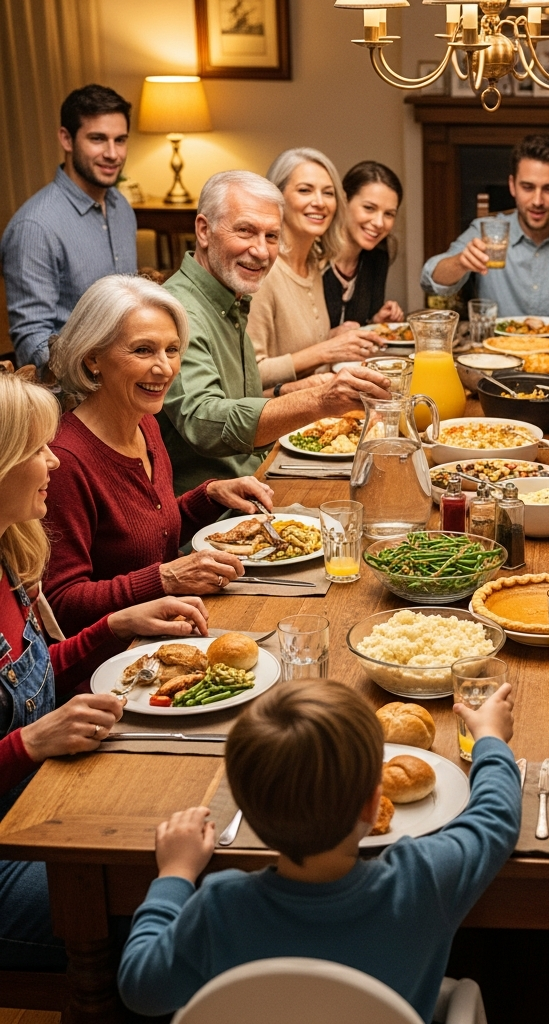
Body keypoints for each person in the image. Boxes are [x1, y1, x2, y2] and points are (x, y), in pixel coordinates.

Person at [117, 679, 520, 1020]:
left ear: (246, 814)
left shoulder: (220, 908)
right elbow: (495, 817)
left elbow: (140, 987)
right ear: (372, 805)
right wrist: (489, 738)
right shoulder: (424, 881)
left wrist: (174, 874)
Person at [0, 371, 210, 970]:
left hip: (43, 799)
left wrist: (116, 626)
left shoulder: (11, 554)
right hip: (12, 844)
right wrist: (30, 743)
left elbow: (34, 677)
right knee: (191, 907)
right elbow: (28, 724)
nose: (56, 464)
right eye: (38, 450)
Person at [44, 276, 279, 635]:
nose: (165, 368)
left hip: (174, 625)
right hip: (115, 663)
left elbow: (151, 538)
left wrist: (207, 497)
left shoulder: (145, 423)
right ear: (93, 358)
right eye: (143, 350)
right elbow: (61, 606)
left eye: (172, 350)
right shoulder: (64, 460)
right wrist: (166, 578)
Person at [158, 170, 391, 494]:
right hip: (212, 512)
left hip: (260, 476)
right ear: (203, 230)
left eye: (271, 236)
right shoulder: (176, 311)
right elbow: (204, 422)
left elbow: (239, 402)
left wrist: (300, 389)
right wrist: (318, 399)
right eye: (245, 231)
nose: (262, 251)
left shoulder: (231, 298)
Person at [421, 134, 549, 332]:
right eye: (527, 187)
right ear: (512, 186)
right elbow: (430, 280)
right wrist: (461, 262)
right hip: (496, 355)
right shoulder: (485, 232)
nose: (537, 201)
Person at [0, 85, 136, 372]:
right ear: (67, 139)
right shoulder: (35, 226)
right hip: (72, 400)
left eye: (120, 140)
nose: (113, 154)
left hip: (128, 383)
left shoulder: (121, 207)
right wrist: (96, 376)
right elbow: (32, 342)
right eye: (98, 139)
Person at [248, 149, 389, 391]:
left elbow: (298, 348)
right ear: (277, 197)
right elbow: (251, 374)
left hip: (319, 402)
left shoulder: (314, 265)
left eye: (328, 193)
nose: (320, 202)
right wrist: (326, 350)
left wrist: (335, 338)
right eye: (305, 190)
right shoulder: (262, 271)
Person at [323, 160, 406, 330]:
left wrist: (375, 322)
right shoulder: (312, 256)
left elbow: (358, 328)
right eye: (369, 208)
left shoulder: (378, 256)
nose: (379, 223)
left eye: (389, 214)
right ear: (344, 202)